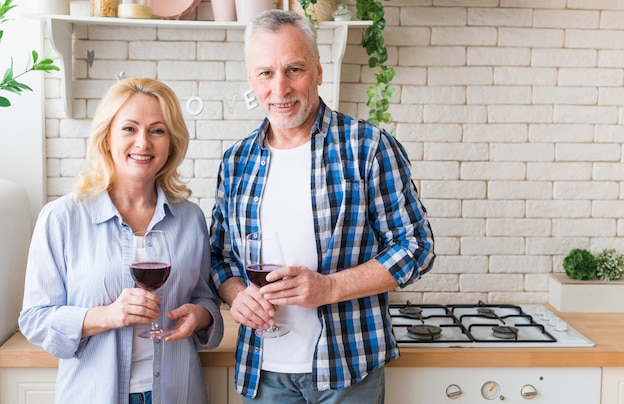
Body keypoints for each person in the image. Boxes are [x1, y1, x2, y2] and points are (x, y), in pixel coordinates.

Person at [209, 9, 435, 403]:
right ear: (251, 79)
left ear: (318, 70)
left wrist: (329, 287)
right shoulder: (236, 160)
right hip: (263, 372)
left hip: (348, 368)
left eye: (294, 69)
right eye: (266, 73)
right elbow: (220, 256)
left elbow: (416, 247)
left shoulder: (368, 147)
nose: (280, 88)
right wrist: (236, 295)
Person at [18, 77, 224, 404]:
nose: (143, 143)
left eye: (157, 130)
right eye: (129, 128)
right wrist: (108, 315)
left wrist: (200, 316)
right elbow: (35, 319)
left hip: (178, 393)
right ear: (107, 137)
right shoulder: (62, 218)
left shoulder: (190, 218)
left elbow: (205, 299)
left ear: (171, 142)